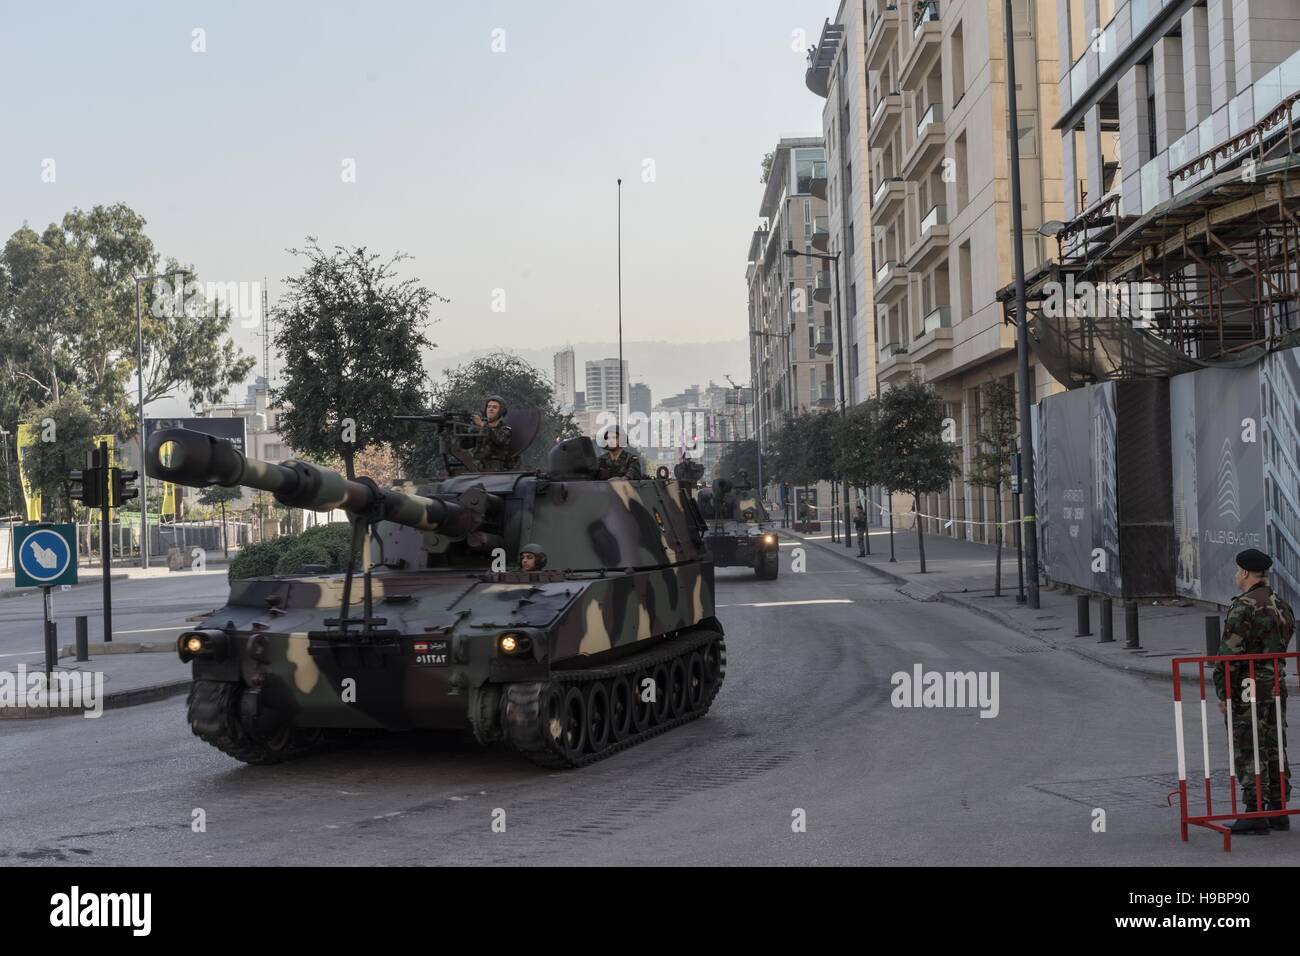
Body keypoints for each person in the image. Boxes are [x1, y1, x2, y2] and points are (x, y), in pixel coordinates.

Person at [1213, 547, 1296, 834]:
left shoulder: (1244, 606)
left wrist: (1223, 692)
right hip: (1275, 683)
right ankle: (1277, 808)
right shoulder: (1281, 604)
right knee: (1274, 743)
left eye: (1238, 571)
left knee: (1249, 745)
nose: (1237, 576)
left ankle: (1254, 811)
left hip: (1248, 686)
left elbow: (1229, 654)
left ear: (1245, 573)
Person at [470, 395, 518, 471]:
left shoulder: (506, 430)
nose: (490, 409)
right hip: (476, 468)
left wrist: (482, 424)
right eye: (488, 407)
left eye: (495, 407)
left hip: (494, 471)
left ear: (501, 411)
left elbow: (499, 439)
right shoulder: (481, 428)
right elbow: (466, 445)